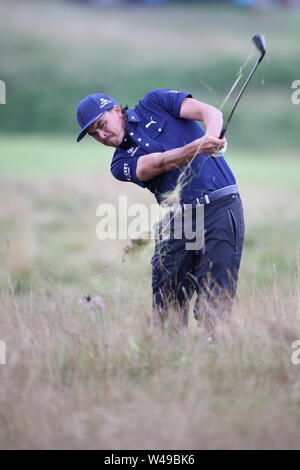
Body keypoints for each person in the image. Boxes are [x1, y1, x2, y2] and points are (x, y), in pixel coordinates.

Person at [76, 89, 245, 333]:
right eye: (94, 134)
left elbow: (210, 112)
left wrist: (212, 136)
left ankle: (214, 358)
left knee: (216, 298)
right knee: (167, 302)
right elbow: (157, 163)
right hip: (178, 221)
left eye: (101, 124)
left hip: (220, 206)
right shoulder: (119, 163)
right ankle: (169, 362)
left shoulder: (155, 102)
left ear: (115, 110)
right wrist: (199, 146)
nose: (101, 135)